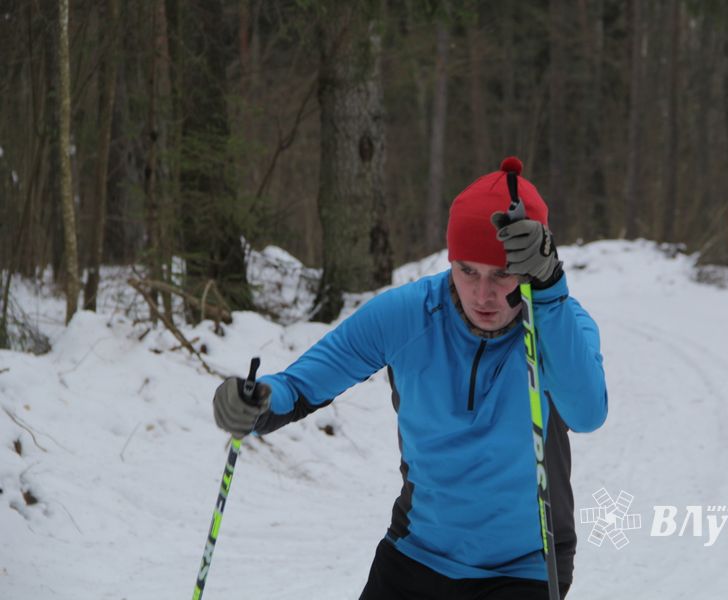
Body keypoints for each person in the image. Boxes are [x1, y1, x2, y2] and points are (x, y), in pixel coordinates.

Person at [212, 156, 608, 599]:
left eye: (502, 274)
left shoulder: (559, 323)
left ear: (532, 268)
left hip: (525, 568)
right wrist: (257, 401)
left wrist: (550, 293)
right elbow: (301, 385)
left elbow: (588, 413)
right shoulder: (409, 314)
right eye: (467, 270)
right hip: (417, 553)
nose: (483, 295)